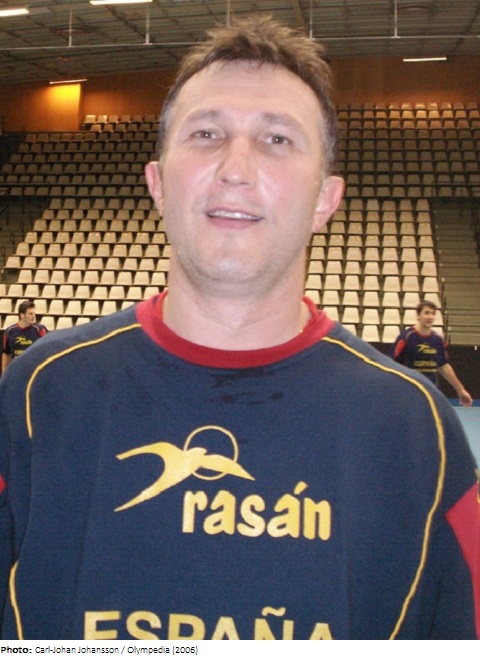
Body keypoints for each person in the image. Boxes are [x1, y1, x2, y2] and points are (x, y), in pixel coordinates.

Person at [0, 16, 479, 641]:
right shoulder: (38, 394)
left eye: (277, 139)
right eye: (206, 134)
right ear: (157, 184)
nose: (235, 167)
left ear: (325, 199)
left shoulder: (415, 428)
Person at [390, 300, 473, 407]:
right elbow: (392, 362)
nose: (430, 317)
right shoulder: (407, 337)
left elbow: (443, 366)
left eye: (433, 314)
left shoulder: (437, 340)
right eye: (426, 313)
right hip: (409, 390)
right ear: (418, 316)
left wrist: (460, 390)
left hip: (430, 391)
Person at [1, 300, 48, 373]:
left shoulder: (40, 330)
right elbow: (6, 353)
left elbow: (47, 351)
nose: (33, 316)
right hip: (17, 371)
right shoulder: (10, 331)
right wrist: (4, 373)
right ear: (22, 315)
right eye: (30, 314)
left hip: (34, 371)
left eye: (34, 313)